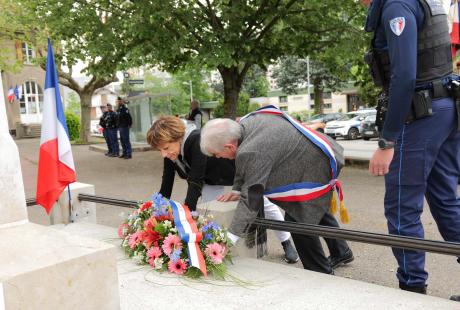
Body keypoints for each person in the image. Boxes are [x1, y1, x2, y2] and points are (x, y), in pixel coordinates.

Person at [364, 0, 460, 297]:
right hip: (445, 108)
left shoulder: (396, 6)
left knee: (402, 207)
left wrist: (387, 140)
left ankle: (411, 289)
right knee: (445, 201)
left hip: (421, 115)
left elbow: (404, 74)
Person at [200, 106, 353, 274]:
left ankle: (320, 273)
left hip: (316, 164)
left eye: (216, 154)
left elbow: (252, 199)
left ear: (229, 146)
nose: (218, 158)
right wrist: (237, 189)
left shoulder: (252, 150)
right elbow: (243, 165)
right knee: (315, 207)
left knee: (297, 218)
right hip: (313, 155)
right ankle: (341, 251)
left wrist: (230, 238)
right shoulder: (242, 127)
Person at [146, 115, 299, 263]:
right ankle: (212, 249)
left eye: (166, 148)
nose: (163, 154)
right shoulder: (169, 151)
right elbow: (167, 182)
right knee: (208, 213)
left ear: (177, 137)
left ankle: (286, 242)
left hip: (233, 171)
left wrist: (186, 218)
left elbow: (195, 181)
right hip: (210, 180)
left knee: (263, 203)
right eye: (160, 150)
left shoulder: (195, 139)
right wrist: (155, 210)